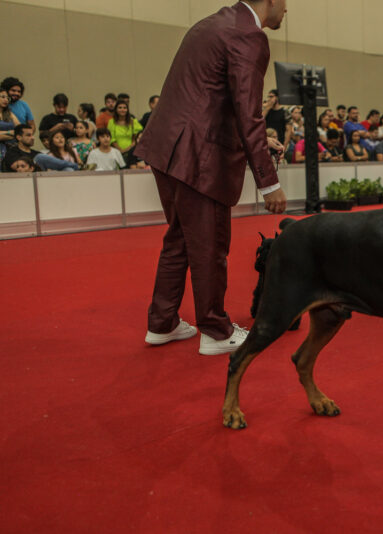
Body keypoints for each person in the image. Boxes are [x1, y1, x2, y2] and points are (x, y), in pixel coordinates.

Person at [135, 0, 287, 355]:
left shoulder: (210, 24)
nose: (287, 9)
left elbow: (208, 98)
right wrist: (269, 183)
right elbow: (248, 113)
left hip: (166, 146)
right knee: (210, 244)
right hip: (199, 155)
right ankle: (216, 331)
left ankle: (162, 322)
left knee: (179, 238)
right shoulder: (250, 36)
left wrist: (257, 141)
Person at [2, 124, 79, 172]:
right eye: (28, 135)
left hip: (40, 181)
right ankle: (75, 165)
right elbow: (19, 167)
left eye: (32, 135)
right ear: (19, 137)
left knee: (69, 170)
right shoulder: (12, 152)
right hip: (22, 181)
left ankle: (72, 167)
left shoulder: (36, 153)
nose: (32, 138)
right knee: (40, 157)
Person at [108, 100, 144, 168]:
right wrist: (120, 150)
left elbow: (138, 137)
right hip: (116, 152)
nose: (122, 110)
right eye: (120, 107)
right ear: (116, 109)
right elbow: (111, 138)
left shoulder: (133, 121)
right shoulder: (111, 122)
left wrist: (127, 149)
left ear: (127, 109)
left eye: (124, 108)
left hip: (131, 152)